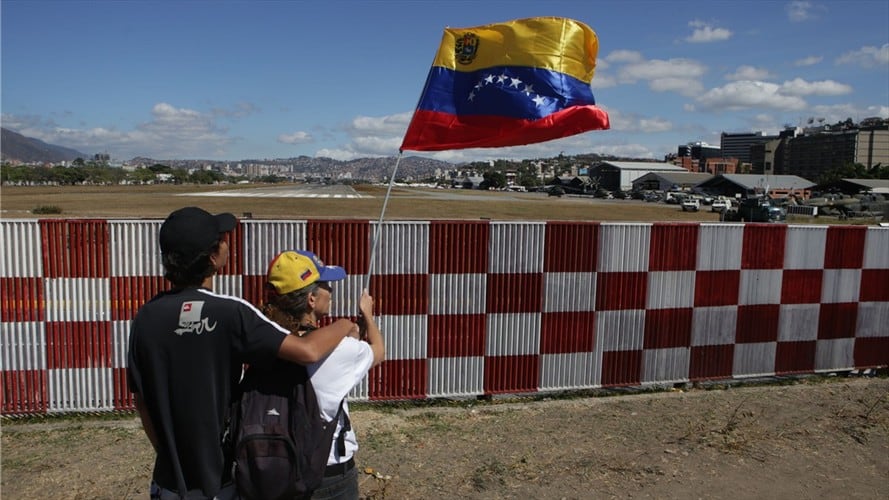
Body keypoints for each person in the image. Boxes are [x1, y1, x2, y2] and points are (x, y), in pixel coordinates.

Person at [127, 207, 358, 500]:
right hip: (217, 480)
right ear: (214, 257)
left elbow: (142, 403)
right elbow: (307, 350)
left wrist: (167, 453)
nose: (227, 242)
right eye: (222, 239)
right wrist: (345, 325)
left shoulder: (146, 318)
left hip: (167, 481)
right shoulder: (231, 313)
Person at [261, 250, 385, 500]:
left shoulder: (262, 338)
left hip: (271, 466)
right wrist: (368, 316)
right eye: (326, 286)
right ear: (311, 299)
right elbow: (379, 352)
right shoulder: (340, 350)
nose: (331, 290)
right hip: (328, 472)